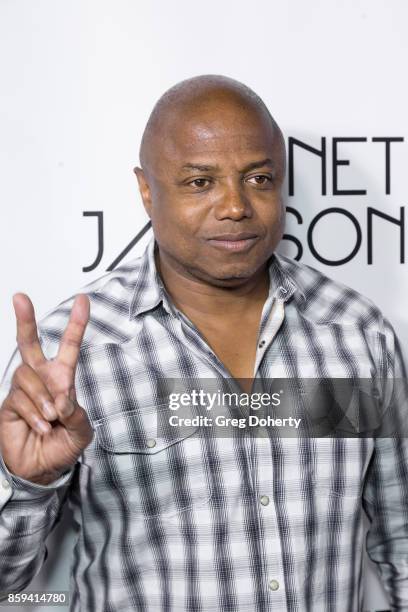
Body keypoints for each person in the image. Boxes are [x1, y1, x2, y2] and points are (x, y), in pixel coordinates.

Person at [0, 75, 407, 612]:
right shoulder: (75, 352)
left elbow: (401, 538)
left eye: (259, 178)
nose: (236, 206)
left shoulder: (356, 334)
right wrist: (30, 483)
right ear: (147, 191)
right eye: (199, 183)